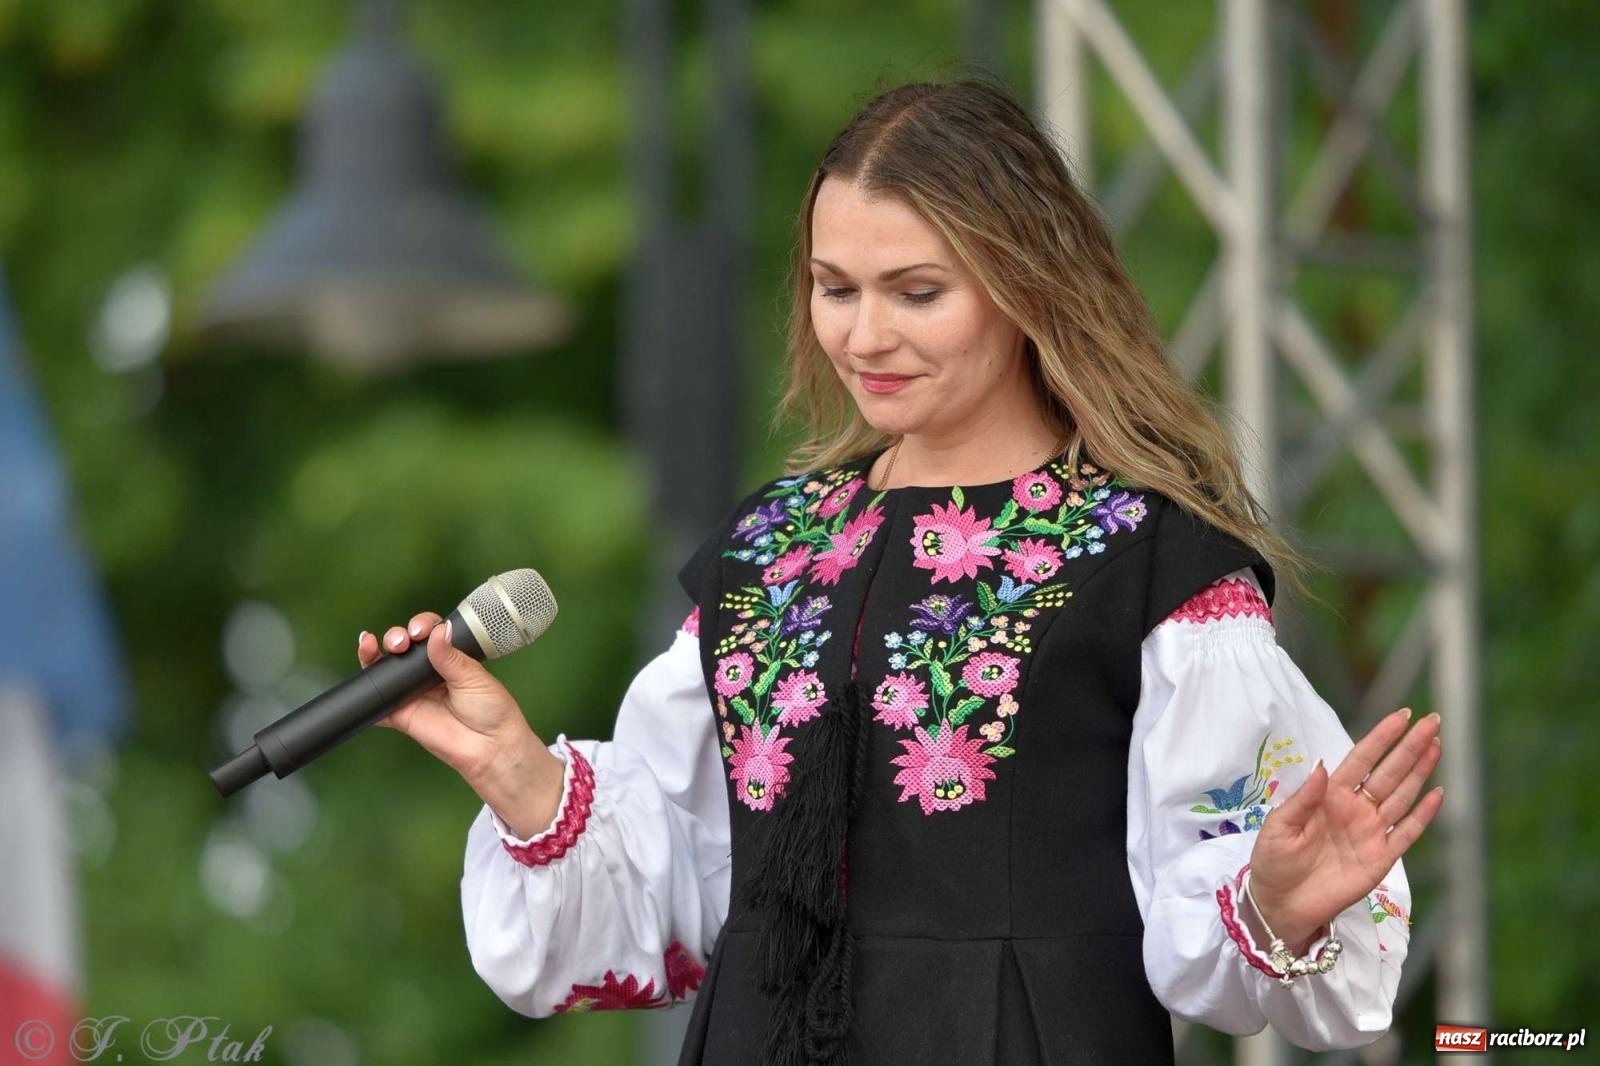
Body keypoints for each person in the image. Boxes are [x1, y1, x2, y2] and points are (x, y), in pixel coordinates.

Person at [358, 77, 1440, 1065]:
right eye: (835, 288)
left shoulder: (1149, 556)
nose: (864, 334)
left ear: (1024, 285)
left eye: (916, 291)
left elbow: (1221, 923)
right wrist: (515, 771)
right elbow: (675, 896)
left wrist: (1274, 898)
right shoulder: (771, 550)